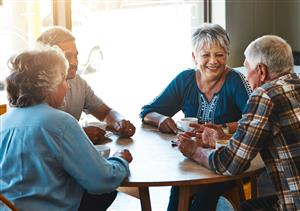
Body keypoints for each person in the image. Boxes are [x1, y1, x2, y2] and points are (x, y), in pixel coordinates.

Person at [0, 47, 132, 211]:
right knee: (106, 192)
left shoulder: (3, 122)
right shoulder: (60, 122)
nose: (67, 87)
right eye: (63, 80)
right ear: (49, 85)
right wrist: (121, 160)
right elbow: (101, 180)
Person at [177, 35, 300, 210]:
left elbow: (231, 164)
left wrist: (194, 150)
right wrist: (224, 136)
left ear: (261, 71)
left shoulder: (265, 96)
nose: (247, 77)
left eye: (247, 68)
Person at [140, 23, 252, 211]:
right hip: (191, 158)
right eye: (205, 55)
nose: (213, 61)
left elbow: (254, 121)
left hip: (226, 161)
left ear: (227, 55)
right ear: (194, 56)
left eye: (219, 54)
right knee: (179, 188)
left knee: (204, 196)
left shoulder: (236, 81)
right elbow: (147, 111)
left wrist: (223, 129)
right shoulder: (185, 80)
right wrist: (161, 120)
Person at [36, 26, 135, 145]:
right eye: (67, 56)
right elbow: (40, 136)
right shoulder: (34, 90)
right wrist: (79, 134)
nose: (74, 62)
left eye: (76, 55)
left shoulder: (78, 82)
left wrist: (119, 122)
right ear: (48, 58)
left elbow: (104, 112)